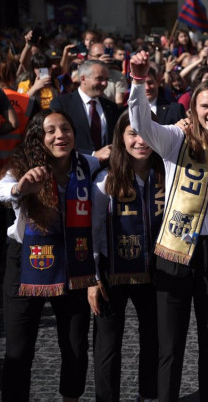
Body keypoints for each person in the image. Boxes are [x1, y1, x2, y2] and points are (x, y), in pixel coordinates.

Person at [128, 50, 208, 401]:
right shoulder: (175, 140)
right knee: (170, 344)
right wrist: (138, 83)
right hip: (175, 249)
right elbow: (140, 123)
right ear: (192, 111)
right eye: (205, 107)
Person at [1, 109, 100, 401]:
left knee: (74, 344)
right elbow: (4, 190)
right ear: (38, 137)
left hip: (73, 259)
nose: (60, 135)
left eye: (66, 129)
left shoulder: (87, 164)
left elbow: (110, 158)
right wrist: (21, 188)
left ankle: (71, 396)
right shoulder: (22, 167)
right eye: (51, 130)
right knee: (19, 349)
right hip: (26, 263)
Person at [89, 111, 163, 401]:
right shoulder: (104, 180)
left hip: (156, 269)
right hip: (112, 270)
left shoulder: (167, 173)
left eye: (146, 132)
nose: (141, 141)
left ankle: (150, 395)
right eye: (133, 133)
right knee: (107, 346)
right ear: (120, 138)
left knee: (154, 339)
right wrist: (93, 279)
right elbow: (94, 230)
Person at [50, 59, 121, 160]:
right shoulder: (62, 104)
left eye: (106, 79)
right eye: (99, 79)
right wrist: (92, 154)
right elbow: (58, 140)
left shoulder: (110, 107)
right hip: (75, 166)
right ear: (83, 78)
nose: (104, 83)